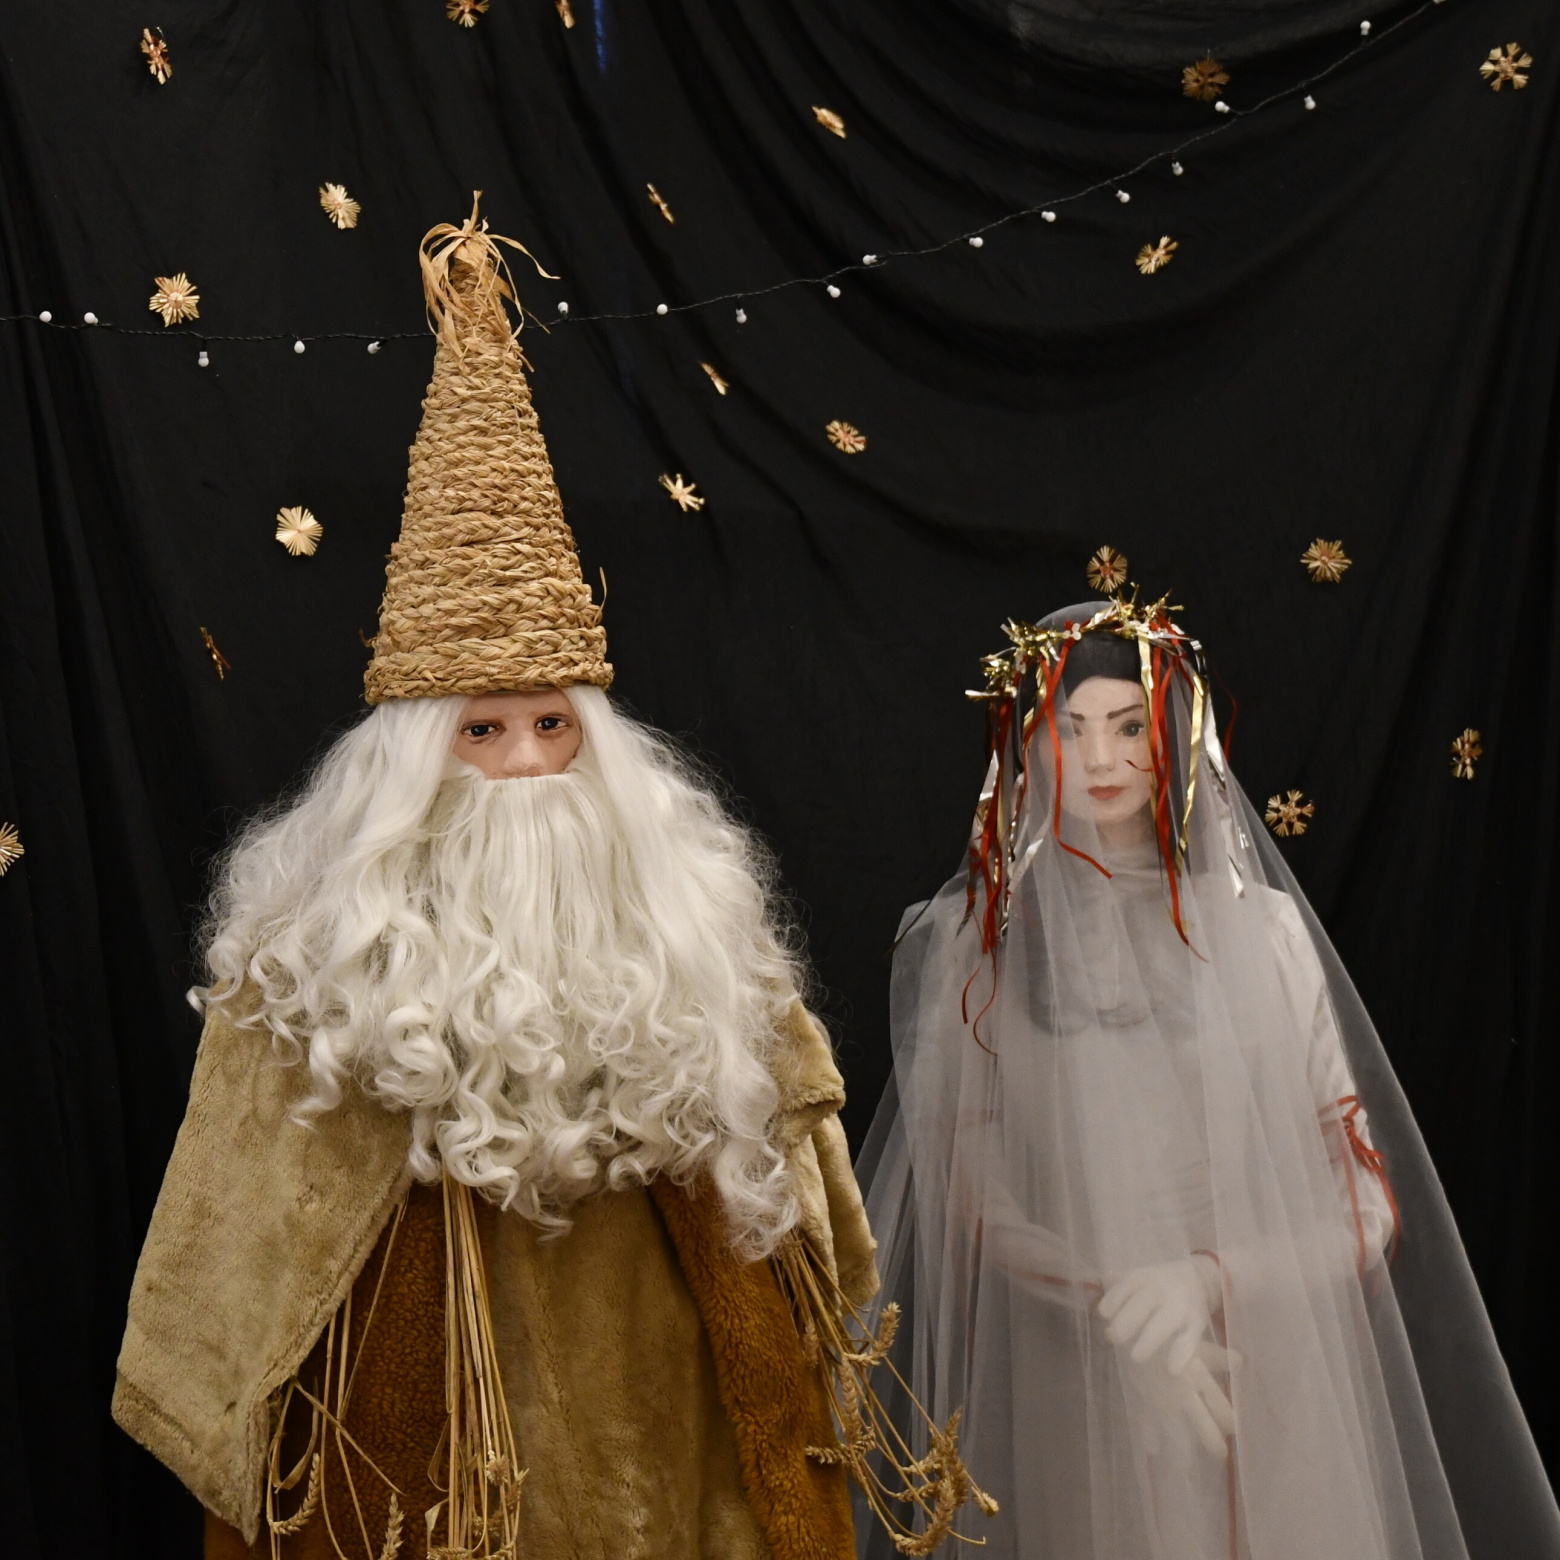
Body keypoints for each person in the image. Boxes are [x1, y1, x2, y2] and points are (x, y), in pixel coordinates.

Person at [112, 203, 883, 1560]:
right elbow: (222, 1255)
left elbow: (817, 1215)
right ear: (412, 767)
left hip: (676, 1458)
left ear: (602, 746)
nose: (526, 765)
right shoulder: (307, 972)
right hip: (429, 1481)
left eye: (550, 725)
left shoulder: (698, 937)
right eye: (482, 730)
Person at [856, 596, 1560, 1560]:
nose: (1100, 759)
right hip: (1080, 1389)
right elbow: (969, 1200)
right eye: (1070, 729)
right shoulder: (974, 950)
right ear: (1029, 747)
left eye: (1128, 726)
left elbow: (1366, 1204)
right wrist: (1123, 1314)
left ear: (1174, 735)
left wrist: (1201, 1283)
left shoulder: (1264, 934)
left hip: (1272, 1375)